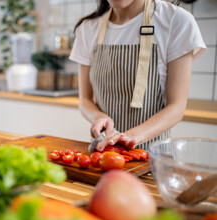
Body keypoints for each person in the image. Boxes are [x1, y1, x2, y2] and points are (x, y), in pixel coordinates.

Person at [69, 0, 206, 151]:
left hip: (152, 159)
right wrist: (97, 117)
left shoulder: (176, 20)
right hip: (102, 154)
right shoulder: (87, 28)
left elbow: (176, 106)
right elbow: (85, 100)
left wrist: (129, 137)